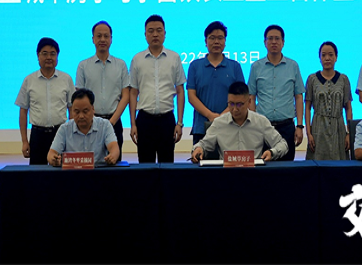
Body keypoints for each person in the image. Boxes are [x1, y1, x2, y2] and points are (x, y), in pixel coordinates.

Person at [129, 15, 186, 163]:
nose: (155, 34)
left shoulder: (174, 58)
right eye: (151, 31)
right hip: (144, 120)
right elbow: (133, 93)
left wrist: (179, 123)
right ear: (145, 34)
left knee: (167, 166)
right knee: (145, 167)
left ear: (165, 33)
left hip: (167, 120)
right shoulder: (137, 59)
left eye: (159, 30)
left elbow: (180, 91)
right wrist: (133, 124)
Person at [187, 21, 244, 158]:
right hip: (201, 128)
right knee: (202, 165)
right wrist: (210, 115)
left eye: (220, 38)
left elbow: (241, 96)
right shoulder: (195, 66)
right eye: (212, 38)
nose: (216, 42)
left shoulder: (235, 66)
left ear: (225, 41)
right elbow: (191, 96)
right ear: (205, 41)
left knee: (229, 167)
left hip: (230, 126)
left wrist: (222, 117)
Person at [191, 82, 288, 162]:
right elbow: (203, 144)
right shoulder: (219, 123)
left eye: (239, 104)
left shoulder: (260, 121)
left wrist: (272, 152)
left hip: (254, 173)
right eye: (231, 104)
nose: (235, 109)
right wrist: (198, 149)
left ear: (249, 102)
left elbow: (282, 144)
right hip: (226, 174)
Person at [248, 24, 305, 161]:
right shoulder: (256, 67)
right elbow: (251, 98)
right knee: (263, 167)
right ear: (265, 42)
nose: (274, 42)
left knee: (287, 168)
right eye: (270, 38)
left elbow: (298, 97)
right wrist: (252, 125)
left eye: (277, 39)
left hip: (287, 127)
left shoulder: (293, 66)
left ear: (283, 42)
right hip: (263, 127)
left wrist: (299, 126)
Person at [16, 37, 75, 165]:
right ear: (38, 56)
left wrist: (71, 137)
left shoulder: (66, 79)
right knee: (37, 173)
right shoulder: (29, 80)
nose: (49, 57)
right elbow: (23, 112)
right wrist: (25, 141)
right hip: (38, 135)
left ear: (57, 56)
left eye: (53, 54)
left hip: (60, 133)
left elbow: (72, 109)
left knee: (61, 171)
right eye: (45, 53)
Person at [76, 21, 129, 161]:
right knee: (89, 164)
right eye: (99, 36)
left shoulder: (121, 65)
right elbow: (79, 97)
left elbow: (125, 96)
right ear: (93, 39)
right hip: (89, 123)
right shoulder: (83, 66)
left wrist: (111, 122)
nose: (102, 39)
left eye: (106, 36)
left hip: (114, 122)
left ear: (111, 39)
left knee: (114, 163)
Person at [305, 41, 353, 160]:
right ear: (319, 58)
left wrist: (349, 133)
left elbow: (348, 108)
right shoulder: (312, 79)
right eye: (323, 55)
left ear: (336, 57)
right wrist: (309, 133)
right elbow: (307, 108)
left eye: (331, 55)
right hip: (318, 128)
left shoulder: (343, 79)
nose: (327, 58)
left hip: (338, 129)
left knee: (340, 165)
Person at [47, 88, 120, 167]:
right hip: (72, 172)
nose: (81, 116)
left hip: (98, 172)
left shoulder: (105, 125)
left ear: (93, 109)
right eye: (77, 112)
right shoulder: (64, 129)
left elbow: (114, 147)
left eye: (85, 111)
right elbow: (51, 154)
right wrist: (54, 159)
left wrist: (112, 156)